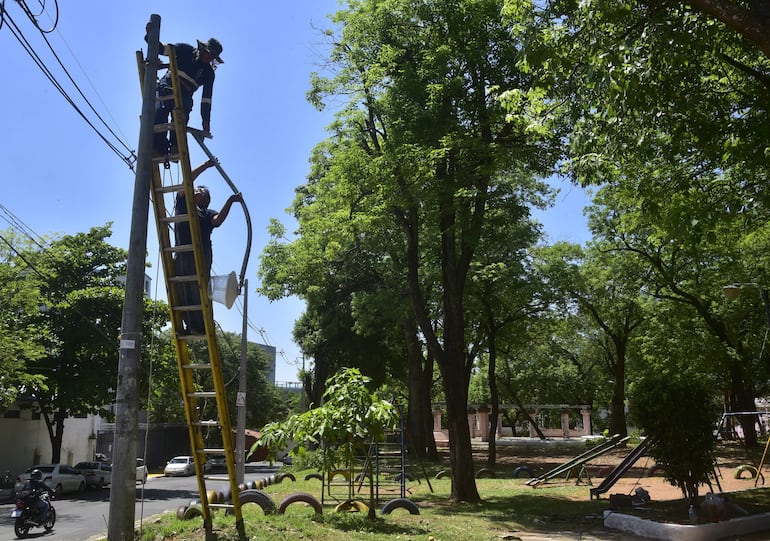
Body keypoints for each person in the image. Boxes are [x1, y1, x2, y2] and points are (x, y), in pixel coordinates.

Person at [173, 159, 242, 334]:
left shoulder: (206, 213)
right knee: (182, 287)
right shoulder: (183, 202)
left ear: (206, 199)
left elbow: (218, 220)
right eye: (196, 189)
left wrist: (231, 200)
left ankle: (201, 324)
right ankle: (189, 325)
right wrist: (205, 165)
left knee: (198, 287)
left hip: (201, 252)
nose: (196, 190)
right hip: (182, 251)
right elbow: (187, 181)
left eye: (200, 190)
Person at [146, 23, 224, 156]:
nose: (209, 58)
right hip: (167, 87)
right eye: (209, 54)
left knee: (181, 118)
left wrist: (205, 121)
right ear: (203, 49)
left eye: (212, 57)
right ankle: (158, 148)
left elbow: (206, 99)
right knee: (159, 113)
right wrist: (150, 35)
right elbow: (163, 49)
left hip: (185, 95)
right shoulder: (185, 50)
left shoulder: (208, 73)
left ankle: (176, 147)